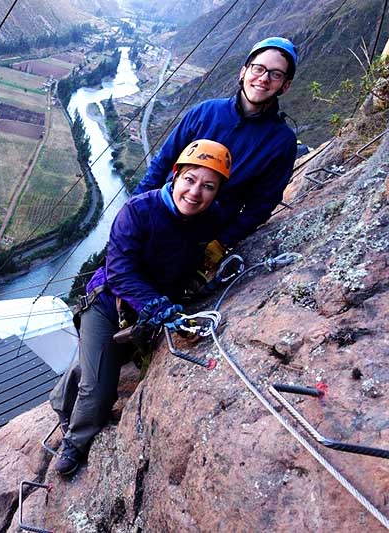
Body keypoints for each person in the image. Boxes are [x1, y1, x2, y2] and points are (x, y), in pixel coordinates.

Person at [50, 139, 232, 476]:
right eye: (190, 180)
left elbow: (209, 244)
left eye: (208, 186)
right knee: (100, 389)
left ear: (217, 191)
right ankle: (74, 443)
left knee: (103, 360)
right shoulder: (138, 211)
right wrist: (158, 305)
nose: (195, 193)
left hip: (150, 307)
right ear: (174, 176)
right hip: (107, 304)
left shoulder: (210, 218)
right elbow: (119, 272)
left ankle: (61, 400)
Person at [134, 37, 298, 267]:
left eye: (276, 74)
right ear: (243, 72)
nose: (264, 78)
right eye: (258, 68)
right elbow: (163, 162)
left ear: (285, 85)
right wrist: (133, 208)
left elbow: (261, 205)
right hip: (158, 214)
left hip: (200, 240)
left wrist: (221, 242)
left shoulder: (281, 143)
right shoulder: (205, 112)